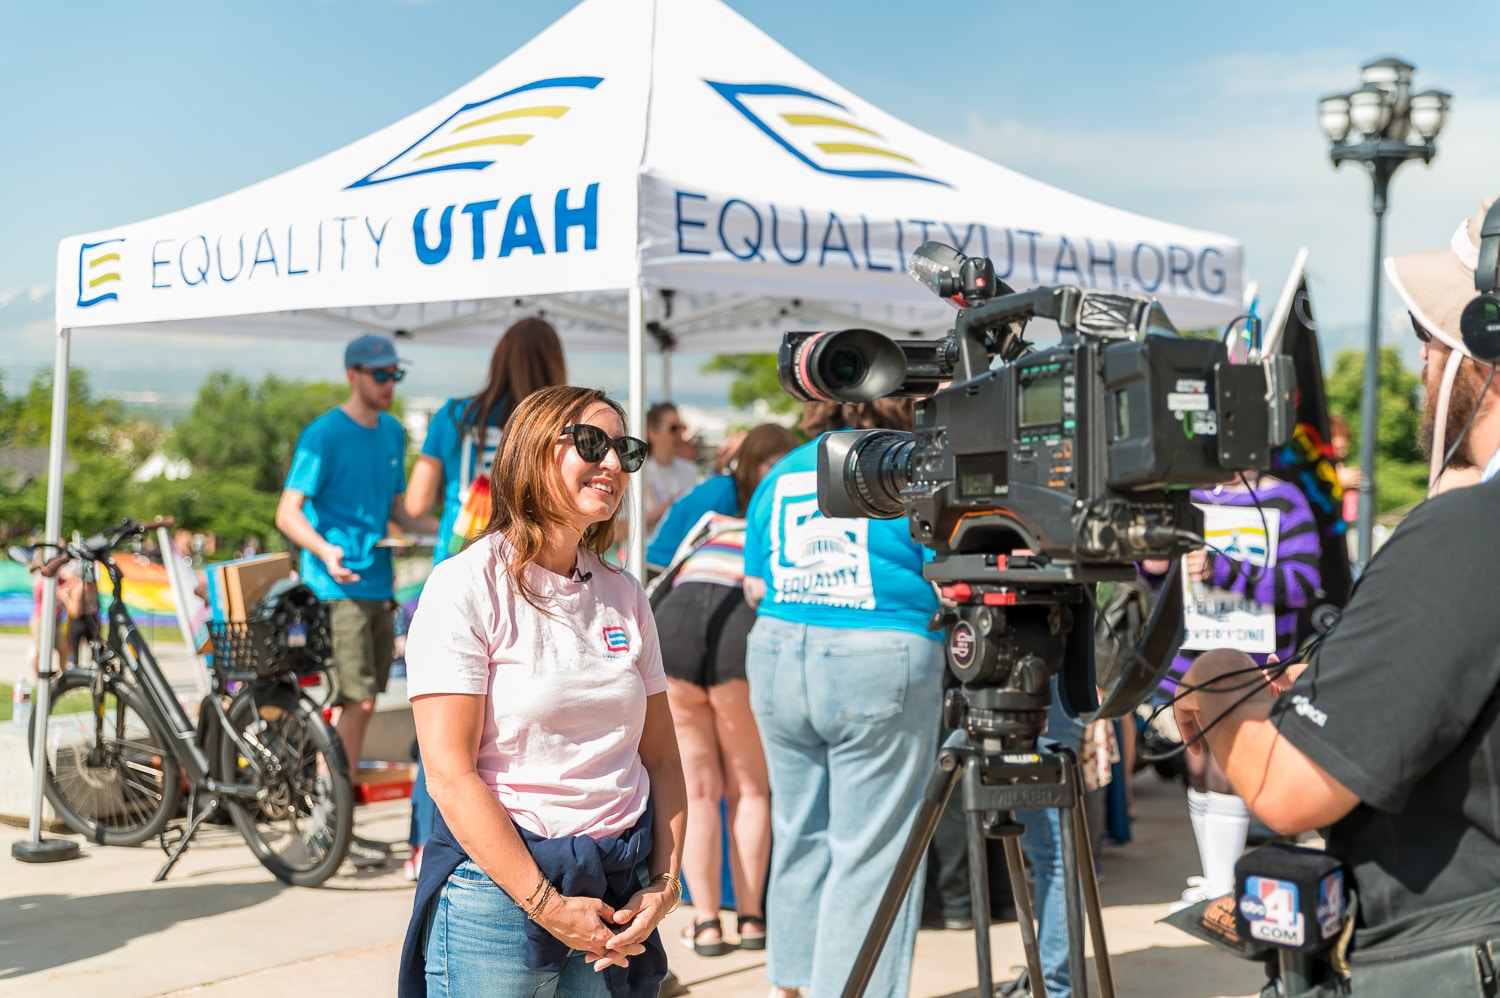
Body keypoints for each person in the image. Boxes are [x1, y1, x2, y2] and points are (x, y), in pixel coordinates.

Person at [1173, 198, 1500, 990]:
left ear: (1482, 344)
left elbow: (1290, 791)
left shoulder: (1466, 534)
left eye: (1429, 336)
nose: (1421, 362)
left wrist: (1213, 674)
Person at [397, 386, 686, 998]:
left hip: (616, 893)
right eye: (591, 443)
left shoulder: (625, 593)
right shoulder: (464, 587)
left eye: (625, 451)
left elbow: (661, 757)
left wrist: (663, 883)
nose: (612, 463)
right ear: (532, 451)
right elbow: (449, 776)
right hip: (498, 899)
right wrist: (547, 905)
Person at [742, 399, 944, 998]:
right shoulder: (906, 463)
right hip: (879, 653)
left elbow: (756, 578)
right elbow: (949, 570)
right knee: (873, 850)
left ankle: (793, 986)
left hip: (779, 649)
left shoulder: (784, 470)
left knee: (799, 832)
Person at [401, 316, 567, 880]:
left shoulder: (455, 416)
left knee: (448, 728)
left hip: (462, 568)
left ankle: (432, 845)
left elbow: (420, 499)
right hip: (540, 570)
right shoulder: (560, 420)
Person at [275, 333, 436, 870]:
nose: (389, 383)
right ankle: (328, 823)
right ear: (354, 375)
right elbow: (287, 512)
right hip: (335, 587)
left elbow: (398, 511)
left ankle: (334, 822)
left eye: (396, 375)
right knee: (356, 702)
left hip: (378, 585)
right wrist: (325, 550)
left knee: (359, 704)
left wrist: (447, 533)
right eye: (380, 374)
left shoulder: (392, 433)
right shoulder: (323, 435)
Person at [647, 423, 797, 958]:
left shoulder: (711, 517)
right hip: (739, 626)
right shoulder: (782, 521)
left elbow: (658, 562)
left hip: (676, 627)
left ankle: (707, 924)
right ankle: (753, 919)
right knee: (751, 788)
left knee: (701, 791)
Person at [1146, 473, 1321, 911]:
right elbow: (1154, 585)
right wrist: (1153, 566)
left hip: (1253, 665)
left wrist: (1224, 569)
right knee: (1199, 766)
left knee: (1228, 768)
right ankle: (1214, 880)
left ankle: (1222, 886)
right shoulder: (1182, 495)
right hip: (1187, 662)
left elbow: (1302, 583)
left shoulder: (1284, 499)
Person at [643, 402, 699, 539]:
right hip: (642, 557)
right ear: (652, 433)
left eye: (681, 427)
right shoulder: (637, 472)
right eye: (674, 428)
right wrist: (672, 506)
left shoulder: (690, 470)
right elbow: (617, 530)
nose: (680, 434)